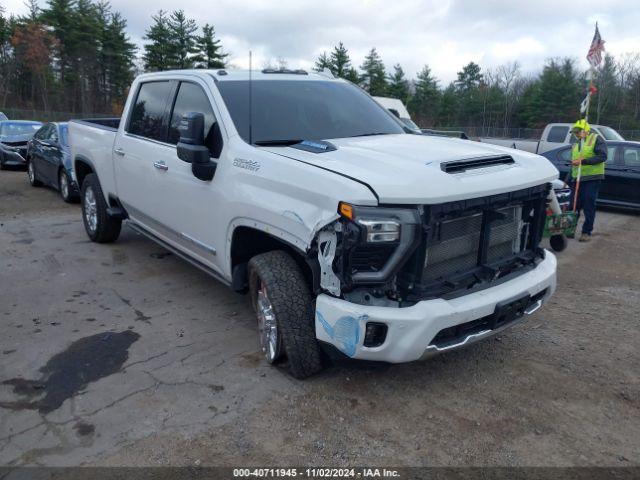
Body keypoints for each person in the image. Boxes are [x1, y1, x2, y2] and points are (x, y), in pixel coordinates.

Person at [566, 119, 607, 242]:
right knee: (573, 206)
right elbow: (574, 164)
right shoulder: (576, 144)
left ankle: (586, 232)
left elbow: (603, 156)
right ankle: (570, 229)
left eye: (578, 132)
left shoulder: (596, 139)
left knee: (589, 205)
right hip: (576, 179)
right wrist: (567, 179)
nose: (576, 134)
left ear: (585, 131)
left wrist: (583, 161)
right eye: (574, 132)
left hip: (592, 179)